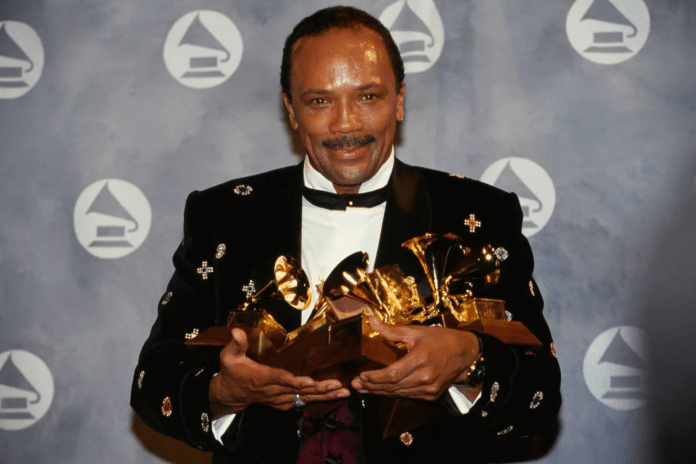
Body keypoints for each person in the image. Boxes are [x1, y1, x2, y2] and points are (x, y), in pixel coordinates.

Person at [131, 6, 561, 464]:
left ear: (399, 101)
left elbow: (540, 393)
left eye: (368, 97)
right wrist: (224, 393)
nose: (345, 125)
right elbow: (152, 381)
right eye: (320, 101)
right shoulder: (225, 215)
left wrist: (469, 362)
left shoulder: (478, 215)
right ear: (290, 110)